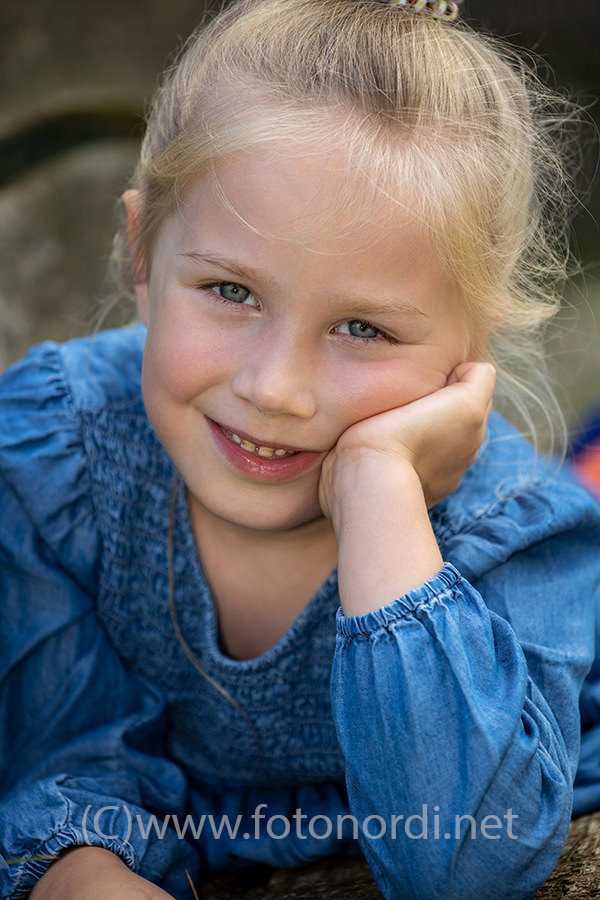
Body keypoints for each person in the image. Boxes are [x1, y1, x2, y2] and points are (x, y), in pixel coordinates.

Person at [1, 0, 599, 897]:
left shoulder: (515, 535)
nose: (276, 389)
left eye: (362, 326)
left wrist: (378, 494)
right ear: (141, 252)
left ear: (473, 344)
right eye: (232, 290)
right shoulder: (62, 455)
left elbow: (465, 866)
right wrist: (85, 869)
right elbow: (62, 753)